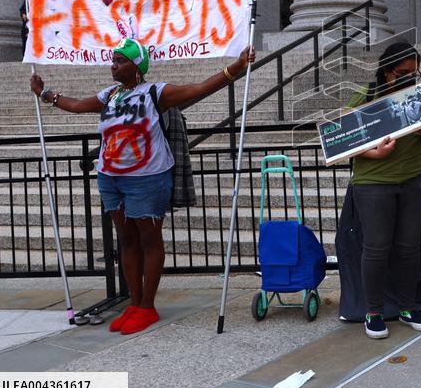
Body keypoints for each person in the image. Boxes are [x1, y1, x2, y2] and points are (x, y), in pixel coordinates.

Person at [29, 38, 256, 335]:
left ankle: (148, 306)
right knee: (127, 240)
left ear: (137, 66)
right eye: (113, 59)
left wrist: (237, 67)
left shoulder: (156, 92)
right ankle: (134, 304)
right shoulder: (110, 94)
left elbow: (199, 89)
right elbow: (79, 106)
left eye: (121, 60)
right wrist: (45, 93)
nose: (114, 65)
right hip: (110, 177)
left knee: (149, 240)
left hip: (147, 178)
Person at [347, 41, 421, 339]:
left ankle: (408, 306)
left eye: (415, 73)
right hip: (373, 183)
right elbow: (344, 142)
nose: (410, 78)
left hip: (413, 178)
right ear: (387, 73)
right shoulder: (365, 97)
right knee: (376, 247)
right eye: (403, 73)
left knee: (409, 246)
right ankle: (373, 312)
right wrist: (375, 153)